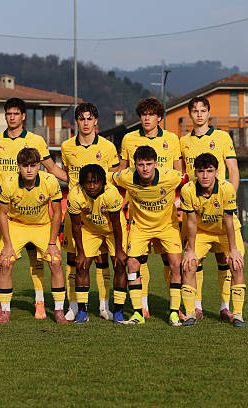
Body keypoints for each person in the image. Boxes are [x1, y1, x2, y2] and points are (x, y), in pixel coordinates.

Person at [0, 98, 67, 320]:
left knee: (46, 261)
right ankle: (2, 307)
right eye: (8, 113)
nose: (12, 117)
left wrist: (78, 182)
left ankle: (47, 305)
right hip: (11, 213)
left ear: (23, 116)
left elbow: (52, 168)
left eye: (16, 113)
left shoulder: (36, 141)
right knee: (3, 260)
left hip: (39, 220)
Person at [118, 97, 182, 319]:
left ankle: (175, 308)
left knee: (171, 262)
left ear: (159, 118)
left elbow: (179, 173)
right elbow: (121, 173)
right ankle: (141, 306)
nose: (147, 118)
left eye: (151, 114)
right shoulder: (129, 139)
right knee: (138, 261)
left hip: (166, 214)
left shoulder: (171, 139)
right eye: (143, 114)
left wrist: (179, 201)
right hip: (139, 214)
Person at [110, 146, 187, 326]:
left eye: (149, 164)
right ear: (135, 165)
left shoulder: (170, 176)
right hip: (140, 227)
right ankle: (138, 312)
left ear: (156, 164)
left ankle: (174, 312)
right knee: (132, 264)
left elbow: (191, 179)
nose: (145, 168)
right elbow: (107, 177)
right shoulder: (126, 176)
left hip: (167, 226)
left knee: (176, 265)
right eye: (141, 164)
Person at [180, 96, 240, 321]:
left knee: (225, 259)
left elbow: (233, 170)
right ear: (190, 114)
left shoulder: (222, 137)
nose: (199, 114)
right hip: (195, 209)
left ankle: (225, 306)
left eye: (203, 110)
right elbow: (182, 174)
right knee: (194, 260)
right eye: (195, 111)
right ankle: (196, 307)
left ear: (208, 112)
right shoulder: (183, 141)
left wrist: (229, 199)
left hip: (219, 207)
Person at [60, 103, 120, 321]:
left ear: (96, 121)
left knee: (103, 258)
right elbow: (68, 174)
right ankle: (74, 306)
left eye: (89, 118)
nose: (85, 123)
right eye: (81, 119)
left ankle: (104, 307)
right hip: (77, 210)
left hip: (101, 211)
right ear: (76, 121)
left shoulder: (107, 147)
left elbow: (114, 175)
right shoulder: (67, 147)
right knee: (74, 259)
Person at [0, 148, 67, 324]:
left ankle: (59, 311)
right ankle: (5, 311)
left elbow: (57, 213)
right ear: (18, 166)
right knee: (6, 262)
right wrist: (8, 244)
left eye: (33, 165)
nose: (29, 170)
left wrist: (52, 243)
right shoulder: (9, 183)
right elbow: (2, 214)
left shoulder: (50, 181)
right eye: (25, 166)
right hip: (17, 225)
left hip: (42, 226)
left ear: (39, 167)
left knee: (55, 261)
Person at [180, 153, 246, 327]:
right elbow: (191, 222)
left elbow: (229, 221)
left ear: (216, 172)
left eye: (209, 171)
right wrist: (190, 250)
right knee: (189, 265)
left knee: (236, 264)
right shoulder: (188, 190)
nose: (205, 175)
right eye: (201, 171)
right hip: (202, 231)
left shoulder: (227, 188)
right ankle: (190, 313)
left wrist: (233, 250)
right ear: (195, 172)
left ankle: (238, 314)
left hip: (226, 232)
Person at [67, 164, 127, 324]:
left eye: (96, 182)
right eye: (88, 182)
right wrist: (80, 252)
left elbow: (116, 224)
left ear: (103, 182)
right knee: (81, 265)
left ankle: (118, 311)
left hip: (112, 230)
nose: (92, 186)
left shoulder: (111, 193)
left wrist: (119, 250)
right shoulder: (74, 195)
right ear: (82, 183)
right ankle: (82, 311)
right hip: (90, 229)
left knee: (120, 264)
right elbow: (75, 226)